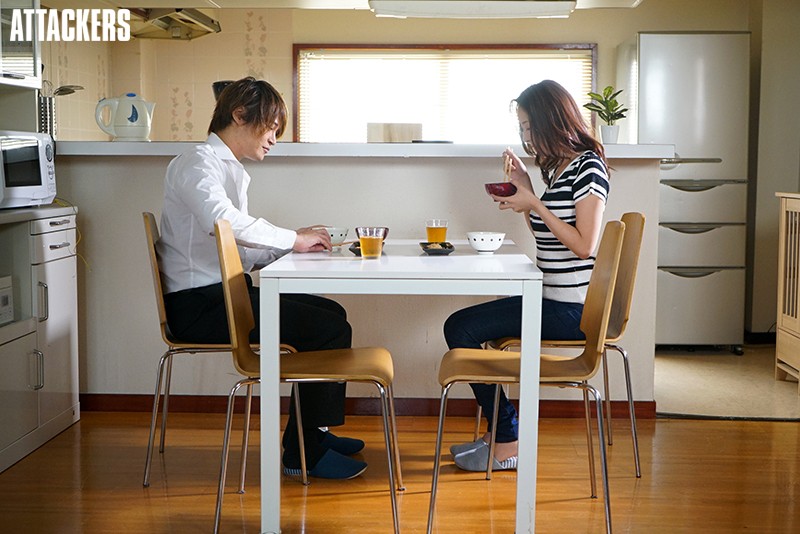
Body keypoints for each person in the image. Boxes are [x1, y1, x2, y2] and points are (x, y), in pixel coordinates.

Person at [157, 77, 367, 480]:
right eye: (271, 127)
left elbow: (241, 251)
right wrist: (293, 238)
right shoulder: (197, 163)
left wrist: (293, 245)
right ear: (239, 115)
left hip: (221, 295)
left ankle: (313, 437)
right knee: (326, 329)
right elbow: (225, 222)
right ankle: (303, 452)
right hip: (200, 306)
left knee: (331, 313)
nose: (273, 139)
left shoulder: (228, 170)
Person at [443, 79, 610, 471]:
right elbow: (553, 234)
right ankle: (500, 434)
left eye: (530, 126)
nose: (526, 135)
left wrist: (534, 200)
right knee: (463, 326)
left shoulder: (589, 166)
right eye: (522, 127)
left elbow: (585, 245)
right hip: (551, 296)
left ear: (553, 120)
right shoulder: (562, 168)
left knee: (461, 329)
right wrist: (527, 189)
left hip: (572, 309)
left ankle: (505, 439)